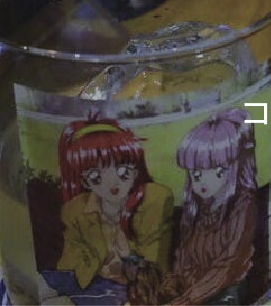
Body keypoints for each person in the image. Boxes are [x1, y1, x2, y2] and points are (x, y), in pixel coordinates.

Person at [43, 115, 173, 305]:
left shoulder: (154, 200)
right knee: (47, 284)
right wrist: (98, 266)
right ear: (85, 181)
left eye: (122, 172)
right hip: (90, 282)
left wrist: (127, 266)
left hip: (131, 287)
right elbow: (69, 265)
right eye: (96, 176)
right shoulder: (75, 210)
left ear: (136, 171)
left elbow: (155, 262)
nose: (112, 183)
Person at [160, 109, 259, 305]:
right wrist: (174, 284)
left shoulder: (243, 207)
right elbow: (184, 254)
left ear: (233, 167)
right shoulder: (197, 209)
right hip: (194, 291)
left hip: (227, 292)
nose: (203, 181)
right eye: (196, 174)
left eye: (217, 171)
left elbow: (228, 266)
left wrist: (186, 300)